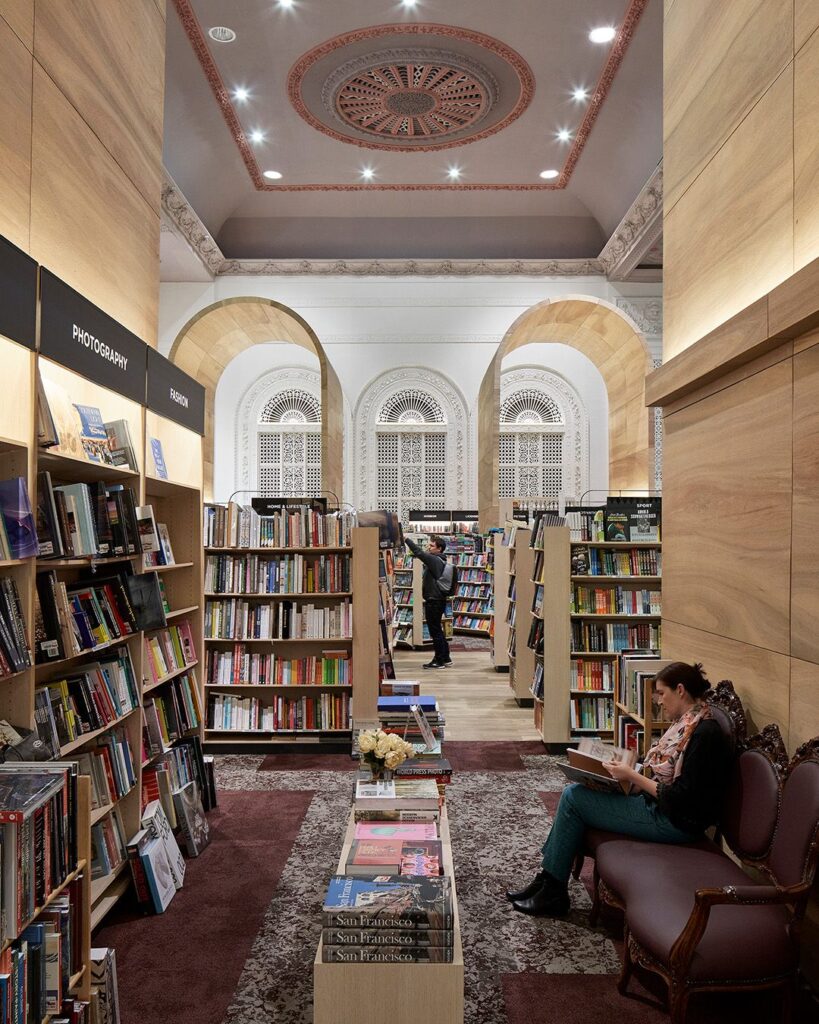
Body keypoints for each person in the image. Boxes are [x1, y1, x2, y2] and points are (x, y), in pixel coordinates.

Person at [507, 662, 731, 916]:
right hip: (657, 807)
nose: (658, 701)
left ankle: (552, 888)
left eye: (661, 693)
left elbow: (681, 799)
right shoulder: (687, 723)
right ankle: (547, 881)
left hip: (673, 822)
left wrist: (632, 775)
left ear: (680, 690)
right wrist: (623, 768)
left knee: (573, 798)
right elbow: (662, 768)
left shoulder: (704, 734)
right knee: (579, 791)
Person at [405, 535, 454, 669]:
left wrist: (407, 540)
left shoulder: (435, 560)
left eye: (432, 545)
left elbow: (418, 553)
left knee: (435, 631)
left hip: (434, 600)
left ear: (439, 549)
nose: (429, 547)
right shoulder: (441, 560)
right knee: (438, 629)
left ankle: (438, 660)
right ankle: (445, 657)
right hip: (438, 600)